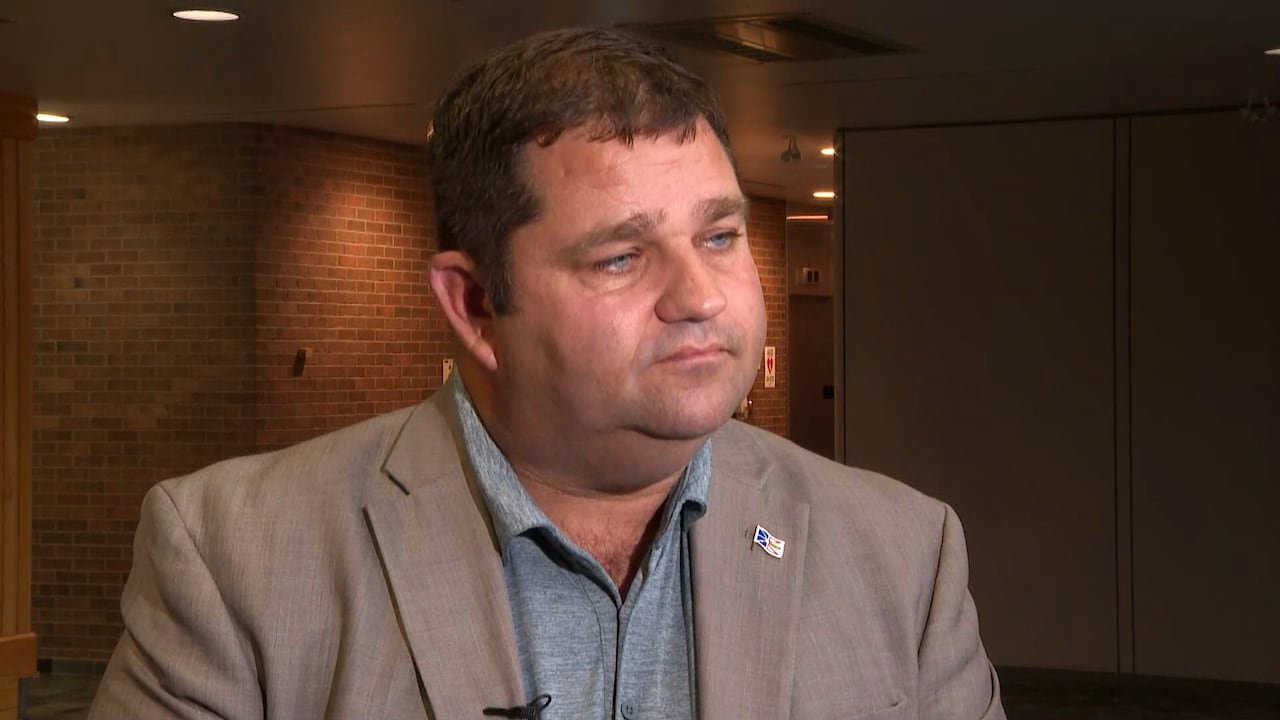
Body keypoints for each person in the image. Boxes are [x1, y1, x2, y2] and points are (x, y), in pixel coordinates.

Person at [89, 27, 1005, 720]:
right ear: (476, 303)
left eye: (719, 237)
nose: (701, 296)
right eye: (620, 257)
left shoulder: (901, 553)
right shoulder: (235, 560)